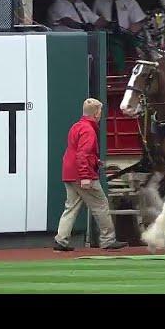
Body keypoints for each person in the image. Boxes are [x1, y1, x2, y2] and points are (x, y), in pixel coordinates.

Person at [53, 98, 128, 251]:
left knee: (71, 207)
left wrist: (95, 160)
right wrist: (86, 176)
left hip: (69, 172)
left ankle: (61, 240)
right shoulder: (89, 130)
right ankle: (108, 240)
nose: (101, 114)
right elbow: (82, 154)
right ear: (95, 113)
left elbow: (77, 151)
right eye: (100, 111)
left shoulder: (76, 126)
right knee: (101, 205)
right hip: (82, 174)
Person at [93, 0, 146, 74]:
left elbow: (140, 21)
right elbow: (93, 21)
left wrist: (135, 27)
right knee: (116, 48)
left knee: (141, 46)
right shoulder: (99, 1)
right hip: (108, 35)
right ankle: (121, 74)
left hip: (126, 33)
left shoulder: (129, 2)